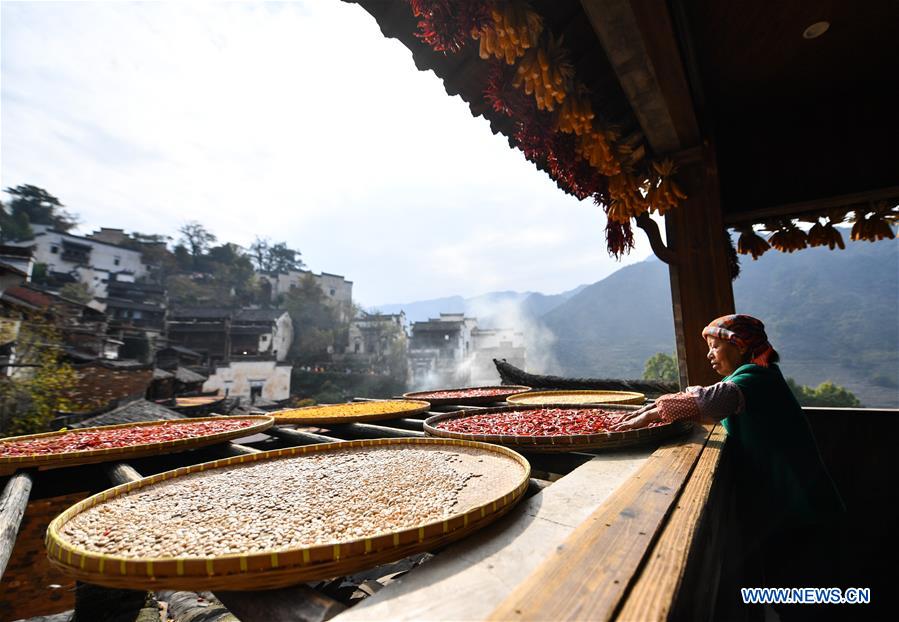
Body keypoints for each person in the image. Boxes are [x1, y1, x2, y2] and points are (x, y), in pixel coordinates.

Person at [612, 314, 845, 618]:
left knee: (805, 598)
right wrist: (657, 408)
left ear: (741, 347)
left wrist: (650, 414)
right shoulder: (749, 379)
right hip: (787, 509)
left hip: (800, 508)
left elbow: (709, 401)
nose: (709, 354)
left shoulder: (756, 376)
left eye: (716, 346)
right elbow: (708, 400)